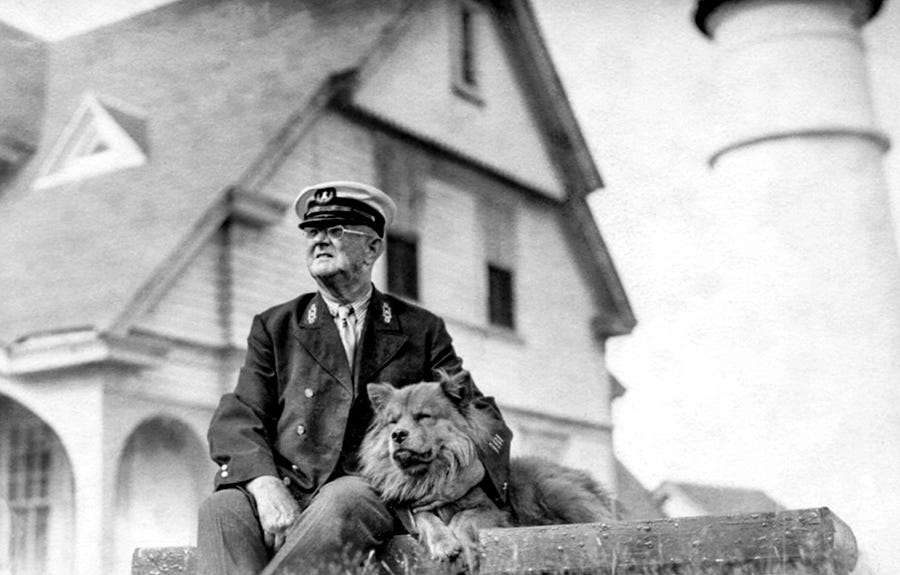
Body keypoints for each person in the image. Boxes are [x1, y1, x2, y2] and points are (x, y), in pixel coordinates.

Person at [197, 181, 512, 574]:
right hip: (289, 484)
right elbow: (239, 416)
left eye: (335, 231)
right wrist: (264, 485)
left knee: (343, 498)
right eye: (313, 232)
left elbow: (476, 409)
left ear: (373, 248)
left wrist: (475, 470)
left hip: (367, 489)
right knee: (221, 507)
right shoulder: (276, 326)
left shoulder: (419, 328)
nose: (319, 241)